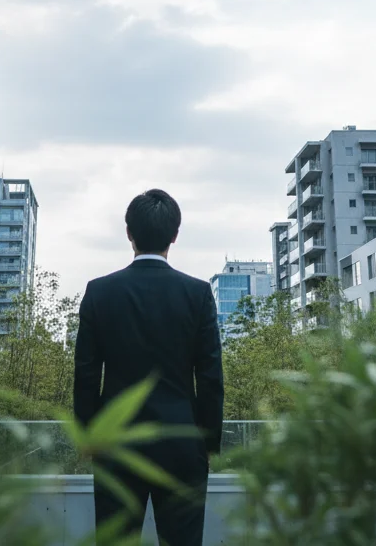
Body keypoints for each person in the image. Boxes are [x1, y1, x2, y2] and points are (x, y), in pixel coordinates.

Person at [74, 188, 224, 546]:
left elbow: (86, 375)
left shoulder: (99, 292)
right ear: (175, 235)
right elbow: (210, 377)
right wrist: (209, 443)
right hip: (182, 445)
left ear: (129, 233)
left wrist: (88, 437)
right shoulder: (198, 294)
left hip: (117, 445)